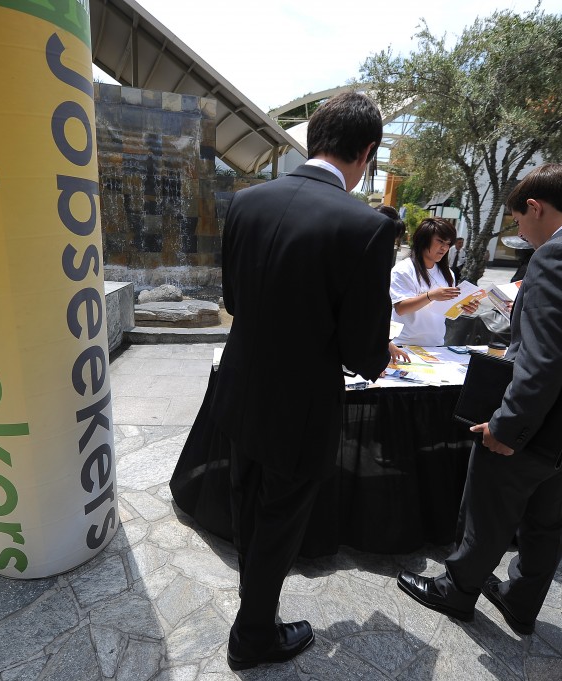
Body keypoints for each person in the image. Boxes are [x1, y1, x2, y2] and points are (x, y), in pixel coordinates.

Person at [395, 163, 562, 636]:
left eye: (518, 221)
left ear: (535, 207)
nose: (521, 234)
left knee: (488, 509)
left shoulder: (559, 255)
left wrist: (507, 425)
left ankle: (457, 590)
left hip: (537, 422)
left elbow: (543, 358)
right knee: (547, 521)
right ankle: (521, 600)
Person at [210, 92, 396, 671]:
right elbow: (364, 355)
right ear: (367, 151)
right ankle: (253, 635)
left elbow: (233, 299)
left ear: (314, 140)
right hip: (301, 405)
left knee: (247, 504)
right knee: (279, 521)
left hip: (240, 386)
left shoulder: (247, 202)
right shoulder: (367, 227)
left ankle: (254, 613)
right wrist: (376, 351)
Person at [389, 217, 478, 347]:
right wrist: (431, 296)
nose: (444, 248)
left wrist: (464, 307)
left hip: (436, 345)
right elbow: (401, 308)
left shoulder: (448, 274)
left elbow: (446, 310)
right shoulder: (403, 270)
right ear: (423, 239)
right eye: (440, 241)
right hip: (403, 345)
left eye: (448, 243)